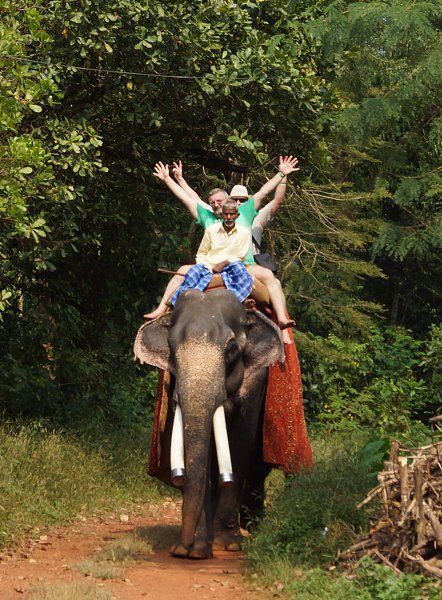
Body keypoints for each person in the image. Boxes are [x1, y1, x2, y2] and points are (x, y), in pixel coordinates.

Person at [145, 157, 299, 332]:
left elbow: (264, 192)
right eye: (212, 203)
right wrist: (168, 179)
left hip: (243, 265)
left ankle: (281, 319)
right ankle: (161, 309)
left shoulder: (244, 212)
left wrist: (281, 174)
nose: (216, 205)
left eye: (219, 201)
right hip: (210, 266)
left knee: (269, 276)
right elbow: (188, 199)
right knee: (181, 272)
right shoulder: (208, 218)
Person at [168, 200, 253, 306]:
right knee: (193, 273)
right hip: (209, 266)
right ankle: (178, 303)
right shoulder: (211, 230)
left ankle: (240, 300)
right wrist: (206, 267)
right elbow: (202, 253)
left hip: (232, 265)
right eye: (226, 214)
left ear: (237, 215)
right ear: (222, 215)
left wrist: (223, 264)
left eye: (232, 214)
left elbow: (241, 255)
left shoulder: (244, 232)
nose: (229, 217)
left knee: (241, 271)